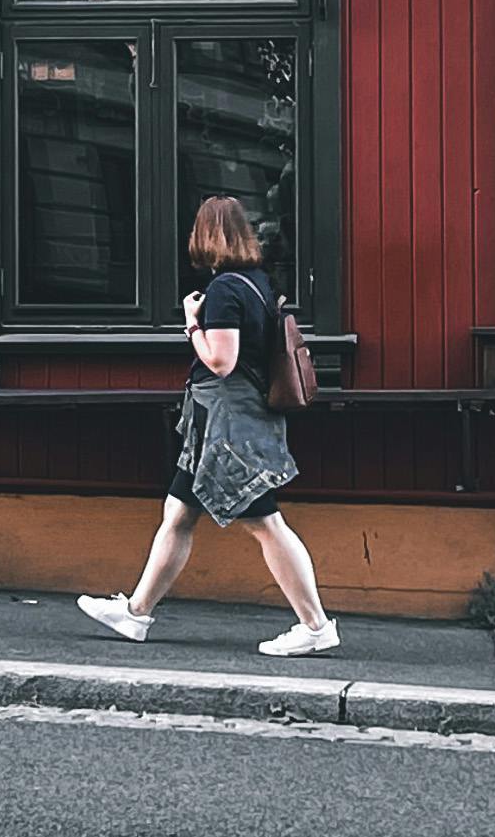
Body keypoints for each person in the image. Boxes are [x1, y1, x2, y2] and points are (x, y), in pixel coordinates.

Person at [80, 196, 338, 656]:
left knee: (266, 524)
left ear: (205, 236)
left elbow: (221, 361)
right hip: (223, 422)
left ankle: (316, 625)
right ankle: (137, 613)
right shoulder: (257, 283)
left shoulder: (224, 291)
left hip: (228, 427)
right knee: (178, 515)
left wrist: (190, 325)